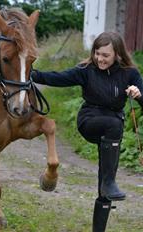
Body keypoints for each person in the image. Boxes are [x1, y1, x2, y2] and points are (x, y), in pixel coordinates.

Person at [31, 31, 143, 232]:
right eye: (97, 53)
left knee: (106, 188)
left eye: (105, 55)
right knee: (114, 125)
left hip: (112, 133)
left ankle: (101, 213)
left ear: (117, 54)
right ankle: (109, 183)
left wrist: (139, 94)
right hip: (89, 121)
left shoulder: (130, 73)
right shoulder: (86, 70)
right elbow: (58, 77)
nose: (100, 58)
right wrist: (29, 74)